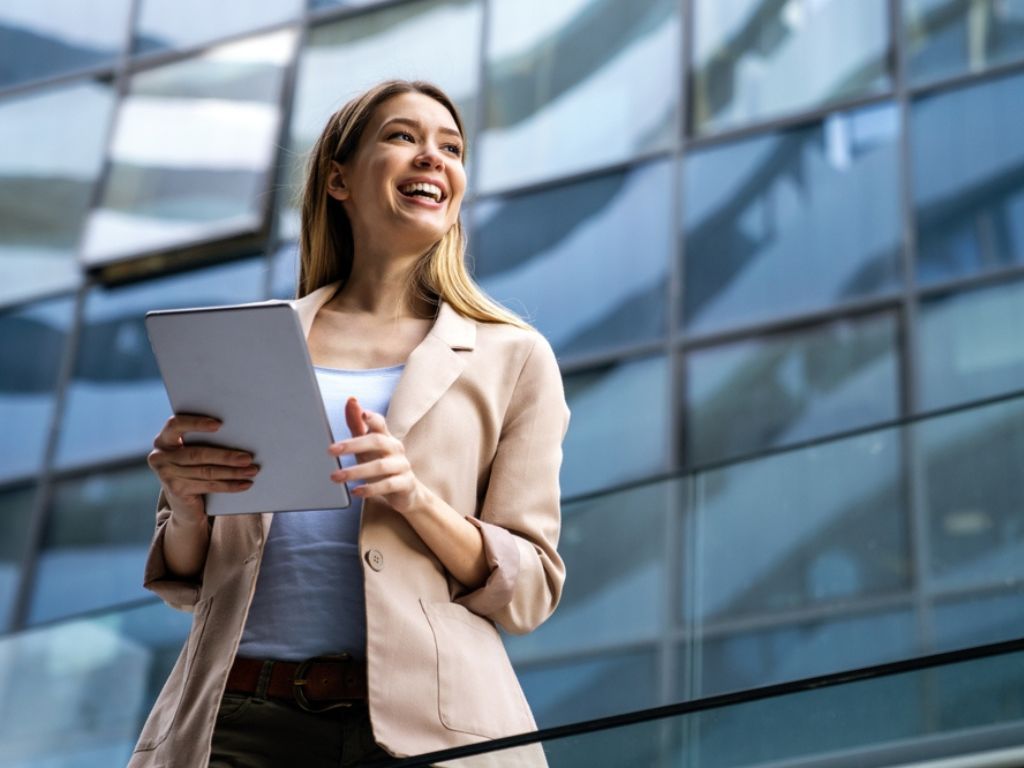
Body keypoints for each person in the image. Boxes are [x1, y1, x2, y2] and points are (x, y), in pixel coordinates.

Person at [128, 79, 570, 768]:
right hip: (238, 723)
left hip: (434, 732)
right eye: (403, 137)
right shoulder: (248, 343)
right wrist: (188, 504)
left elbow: (532, 588)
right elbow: (186, 577)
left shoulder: (512, 356)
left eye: (451, 148)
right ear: (339, 179)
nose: (433, 158)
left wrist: (414, 498)